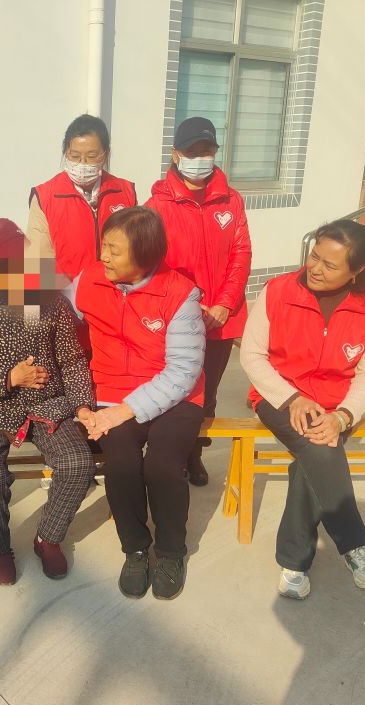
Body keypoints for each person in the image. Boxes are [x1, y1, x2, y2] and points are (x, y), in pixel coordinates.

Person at [240, 219, 365, 600]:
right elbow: (252, 356)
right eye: (314, 256)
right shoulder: (278, 292)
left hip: (338, 405)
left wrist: (343, 416)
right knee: (321, 447)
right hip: (278, 397)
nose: (315, 268)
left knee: (312, 458)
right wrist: (292, 398)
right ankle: (356, 544)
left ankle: (294, 563)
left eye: (330, 264)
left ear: (357, 270)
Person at [0, 219, 96, 585]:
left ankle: (48, 538)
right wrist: (9, 378)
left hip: (46, 404)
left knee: (77, 463)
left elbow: (72, 359)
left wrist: (82, 404)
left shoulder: (49, 300)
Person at [71, 206, 206, 601]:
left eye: (114, 250)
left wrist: (121, 412)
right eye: (104, 246)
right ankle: (135, 548)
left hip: (176, 396)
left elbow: (183, 371)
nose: (104, 256)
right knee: (122, 463)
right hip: (111, 389)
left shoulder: (179, 293)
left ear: (145, 256)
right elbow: (43, 308)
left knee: (163, 464)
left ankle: (171, 552)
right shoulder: (89, 279)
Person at [146, 116, 252, 487]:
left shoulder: (231, 200)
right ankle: (171, 454)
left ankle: (195, 453)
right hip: (178, 316)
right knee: (177, 388)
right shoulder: (157, 204)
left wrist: (224, 303)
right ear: (176, 154)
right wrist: (189, 306)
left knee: (208, 393)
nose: (200, 158)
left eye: (207, 150)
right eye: (192, 151)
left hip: (222, 317)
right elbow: (152, 263)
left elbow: (241, 253)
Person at [27, 114, 137, 282]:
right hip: (68, 294)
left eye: (91, 156)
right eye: (75, 156)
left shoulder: (125, 192)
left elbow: (136, 250)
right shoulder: (45, 197)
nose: (83, 163)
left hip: (116, 292)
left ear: (105, 154)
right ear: (65, 153)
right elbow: (38, 262)